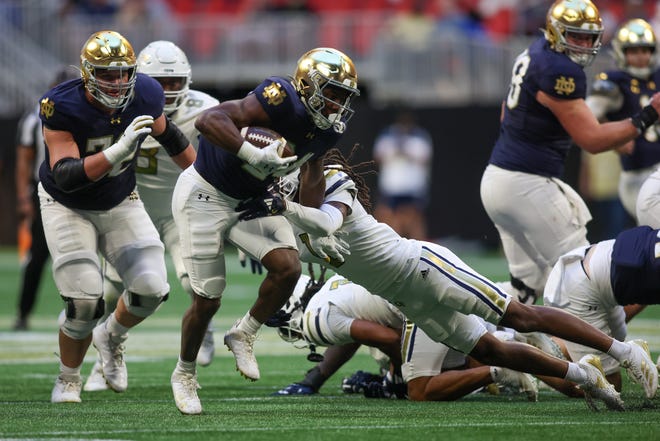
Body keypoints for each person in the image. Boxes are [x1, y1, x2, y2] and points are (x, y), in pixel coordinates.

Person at [235, 147, 658, 412]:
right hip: (406, 300)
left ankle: (624, 351)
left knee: (520, 316)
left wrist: (287, 200)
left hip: (421, 267)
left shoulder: (335, 185)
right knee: (495, 350)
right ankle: (586, 378)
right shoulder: (290, 220)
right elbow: (278, 243)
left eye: (288, 180)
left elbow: (325, 221)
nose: (281, 188)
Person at [169, 47, 360, 415]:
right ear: (309, 85)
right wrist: (250, 152)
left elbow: (313, 172)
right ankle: (185, 373)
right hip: (204, 194)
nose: (337, 104)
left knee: (288, 266)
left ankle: (244, 332)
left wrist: (314, 228)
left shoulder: (328, 129)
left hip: (251, 201)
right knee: (208, 299)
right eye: (332, 92)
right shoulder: (279, 99)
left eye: (344, 97)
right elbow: (209, 120)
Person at [40, 30, 195, 403]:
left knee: (151, 290)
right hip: (67, 203)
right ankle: (68, 378)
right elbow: (65, 173)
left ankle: (109, 336)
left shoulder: (145, 93)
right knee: (84, 303)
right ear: (87, 73)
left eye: (125, 72)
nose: (119, 82)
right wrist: (116, 152)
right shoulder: (60, 105)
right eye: (108, 75)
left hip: (120, 199)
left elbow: (172, 138)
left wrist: (209, 184)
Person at [479, 0, 660, 306]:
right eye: (575, 36)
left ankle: (480, 335)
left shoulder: (535, 53)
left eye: (589, 38)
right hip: (527, 184)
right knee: (584, 275)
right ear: (556, 32)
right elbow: (590, 139)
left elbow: (506, 115)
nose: (584, 44)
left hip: (498, 179)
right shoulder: (560, 70)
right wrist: (648, 114)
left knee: (524, 289)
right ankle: (606, 353)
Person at [82, 40, 220, 392]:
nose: (168, 90)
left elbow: (221, 168)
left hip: (181, 213)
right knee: (112, 295)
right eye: (160, 82)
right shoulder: (118, 106)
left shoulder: (206, 110)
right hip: (132, 210)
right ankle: (107, 356)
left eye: (174, 82)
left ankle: (202, 328)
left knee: (198, 285)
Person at [269, 270, 548, 402]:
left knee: (420, 389)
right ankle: (577, 375)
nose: (288, 330)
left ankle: (497, 371)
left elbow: (390, 341)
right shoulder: (332, 285)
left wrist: (395, 378)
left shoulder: (314, 316)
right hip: (435, 280)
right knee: (491, 345)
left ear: (294, 304)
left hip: (416, 307)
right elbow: (351, 334)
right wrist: (314, 379)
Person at [544, 224, 660, 391]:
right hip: (581, 287)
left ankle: (557, 341)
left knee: (616, 340)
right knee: (607, 386)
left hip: (598, 266)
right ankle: (522, 360)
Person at [13, 68, 76, 331]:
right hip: (45, 190)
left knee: (81, 253)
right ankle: (23, 313)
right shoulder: (34, 118)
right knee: (38, 255)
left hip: (76, 187)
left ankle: (80, 312)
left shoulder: (83, 115)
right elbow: (23, 162)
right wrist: (23, 199)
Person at [585, 18, 660, 223]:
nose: (641, 56)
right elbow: (588, 116)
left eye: (645, 50)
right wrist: (615, 138)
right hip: (638, 175)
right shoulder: (614, 81)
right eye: (634, 51)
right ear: (621, 52)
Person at [372, 109, 433, 240]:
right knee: (388, 216)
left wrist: (405, 152)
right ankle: (390, 244)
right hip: (391, 186)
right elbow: (378, 157)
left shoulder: (420, 138)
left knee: (413, 218)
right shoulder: (387, 137)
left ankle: (420, 247)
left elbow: (424, 158)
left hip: (412, 186)